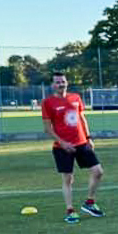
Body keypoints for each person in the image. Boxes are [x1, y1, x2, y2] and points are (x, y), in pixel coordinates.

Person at [41, 72, 106, 224]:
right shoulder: (47, 102)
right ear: (53, 85)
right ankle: (70, 211)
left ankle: (89, 202)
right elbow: (47, 128)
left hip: (82, 143)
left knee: (98, 172)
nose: (61, 84)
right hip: (62, 147)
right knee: (68, 179)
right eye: (57, 82)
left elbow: (82, 119)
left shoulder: (76, 97)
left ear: (67, 82)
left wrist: (88, 138)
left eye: (63, 81)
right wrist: (62, 143)